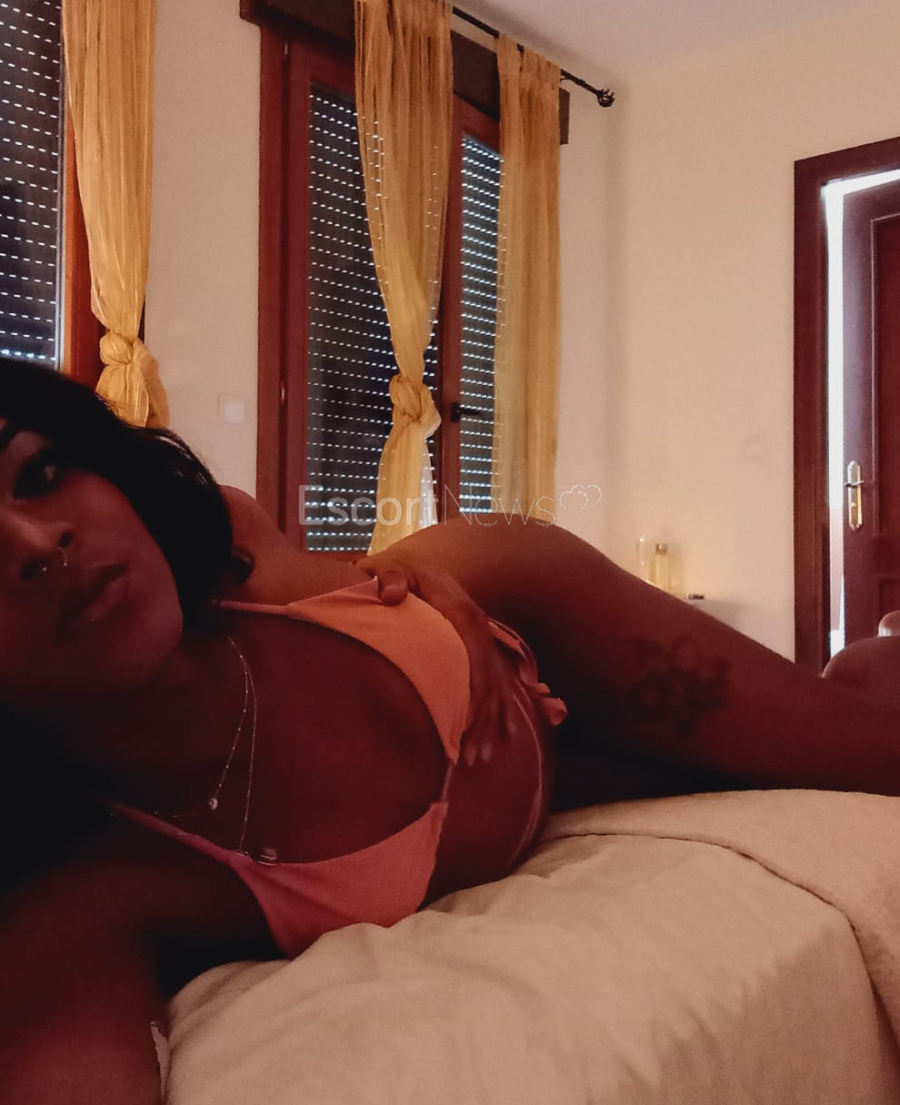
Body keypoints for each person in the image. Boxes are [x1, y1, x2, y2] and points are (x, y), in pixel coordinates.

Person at [0, 358, 897, 1105]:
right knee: (813, 728)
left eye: (39, 475)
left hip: (523, 611)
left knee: (875, 750)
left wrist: (403, 581)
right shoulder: (88, 896)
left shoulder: (226, 543)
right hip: (550, 774)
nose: (38, 543)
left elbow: (346, 575)